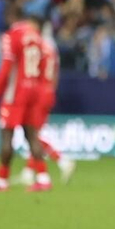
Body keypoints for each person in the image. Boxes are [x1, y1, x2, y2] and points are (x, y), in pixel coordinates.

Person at [0, 19, 51, 193]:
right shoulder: (38, 38)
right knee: (32, 135)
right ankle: (43, 179)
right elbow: (44, 68)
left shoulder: (12, 36)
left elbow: (6, 67)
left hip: (16, 92)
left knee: (6, 136)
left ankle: (1, 181)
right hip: (34, 90)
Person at [18, 31, 76, 186]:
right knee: (34, 133)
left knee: (32, 135)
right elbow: (55, 74)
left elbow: (32, 73)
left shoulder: (37, 50)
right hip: (49, 91)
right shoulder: (51, 49)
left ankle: (62, 161)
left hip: (38, 93)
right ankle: (28, 172)